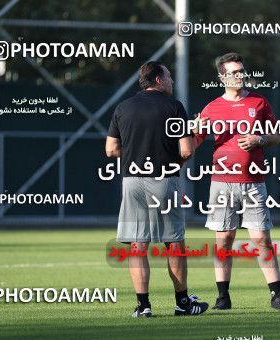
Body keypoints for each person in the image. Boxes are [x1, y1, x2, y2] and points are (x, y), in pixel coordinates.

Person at [194, 52, 280, 311]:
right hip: (222, 183)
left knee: (261, 238)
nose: (239, 76)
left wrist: (258, 139)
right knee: (224, 239)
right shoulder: (212, 107)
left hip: (253, 182)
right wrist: (192, 129)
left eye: (241, 71)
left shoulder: (260, 102)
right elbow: (193, 141)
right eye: (233, 72)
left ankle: (277, 296)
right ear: (221, 77)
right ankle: (222, 297)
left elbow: (277, 136)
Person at [106, 60, 208, 317]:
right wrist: (182, 152)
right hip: (164, 181)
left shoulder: (123, 107)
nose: (172, 80)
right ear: (159, 80)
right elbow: (186, 149)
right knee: (174, 244)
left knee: (138, 246)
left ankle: (143, 306)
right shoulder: (174, 106)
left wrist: (135, 156)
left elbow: (111, 150)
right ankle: (183, 303)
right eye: (170, 76)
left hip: (131, 182)